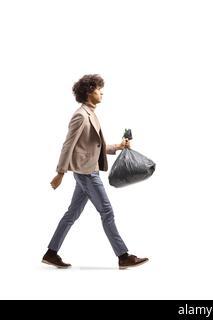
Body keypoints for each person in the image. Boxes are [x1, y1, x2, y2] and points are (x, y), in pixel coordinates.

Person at [42, 74, 148, 269]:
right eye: (99, 90)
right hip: (87, 173)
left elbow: (95, 147)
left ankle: (51, 253)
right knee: (107, 211)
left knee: (71, 213)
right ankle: (123, 256)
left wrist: (119, 146)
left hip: (87, 171)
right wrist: (60, 173)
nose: (102, 93)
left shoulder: (90, 113)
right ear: (89, 92)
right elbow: (68, 145)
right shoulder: (80, 116)